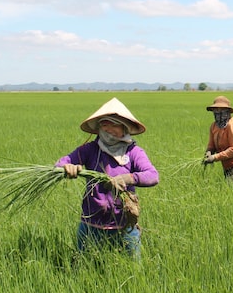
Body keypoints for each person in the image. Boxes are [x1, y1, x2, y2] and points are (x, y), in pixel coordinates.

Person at [55, 97, 158, 259]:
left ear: (125, 127)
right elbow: (62, 163)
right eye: (104, 124)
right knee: (84, 266)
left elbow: (152, 176)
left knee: (132, 269)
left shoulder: (133, 152)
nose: (108, 129)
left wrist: (129, 178)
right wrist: (67, 167)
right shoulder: (90, 150)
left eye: (114, 124)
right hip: (91, 224)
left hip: (124, 225)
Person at [202, 95, 233, 183]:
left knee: (231, 189)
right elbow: (211, 145)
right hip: (227, 164)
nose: (218, 114)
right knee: (228, 188)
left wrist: (214, 157)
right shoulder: (214, 126)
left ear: (228, 112)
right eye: (216, 112)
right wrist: (208, 153)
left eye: (221, 111)